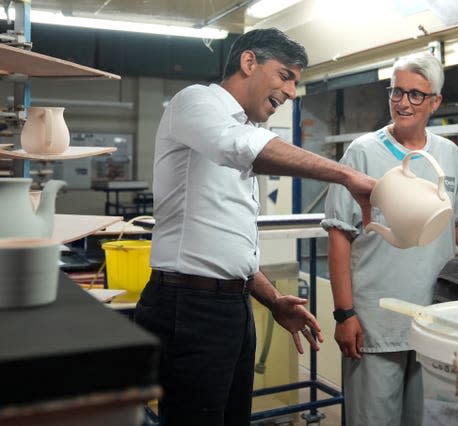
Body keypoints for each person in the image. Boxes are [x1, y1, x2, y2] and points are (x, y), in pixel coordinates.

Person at [133, 28, 376, 426]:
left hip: (232, 307)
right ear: (249, 63)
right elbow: (239, 148)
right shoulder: (195, 103)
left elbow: (228, 248)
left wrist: (274, 300)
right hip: (189, 310)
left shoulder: (249, 131)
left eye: (296, 82)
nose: (292, 93)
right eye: (285, 76)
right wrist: (347, 176)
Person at [322, 51, 458, 426]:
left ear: (435, 102)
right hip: (375, 322)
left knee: (426, 420)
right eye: (396, 92)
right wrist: (344, 313)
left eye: (416, 94)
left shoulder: (448, 155)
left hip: (434, 318)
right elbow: (339, 235)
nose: (403, 103)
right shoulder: (363, 153)